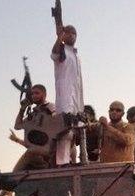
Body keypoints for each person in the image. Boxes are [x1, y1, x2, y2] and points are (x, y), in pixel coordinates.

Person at [51, 24, 84, 165]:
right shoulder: (61, 50)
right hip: (65, 97)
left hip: (77, 97)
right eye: (68, 32)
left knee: (78, 129)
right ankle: (62, 162)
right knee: (65, 131)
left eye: (74, 33)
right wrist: (59, 37)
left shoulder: (76, 54)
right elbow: (54, 53)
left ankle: (77, 160)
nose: (71, 35)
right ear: (63, 34)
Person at [10, 84, 56, 171]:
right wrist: (22, 109)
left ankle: (13, 176)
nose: (34, 96)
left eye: (37, 93)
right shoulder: (33, 113)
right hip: (38, 152)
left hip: (49, 150)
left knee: (29, 154)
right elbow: (17, 126)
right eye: (32, 94)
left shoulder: (50, 107)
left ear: (44, 94)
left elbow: (56, 120)